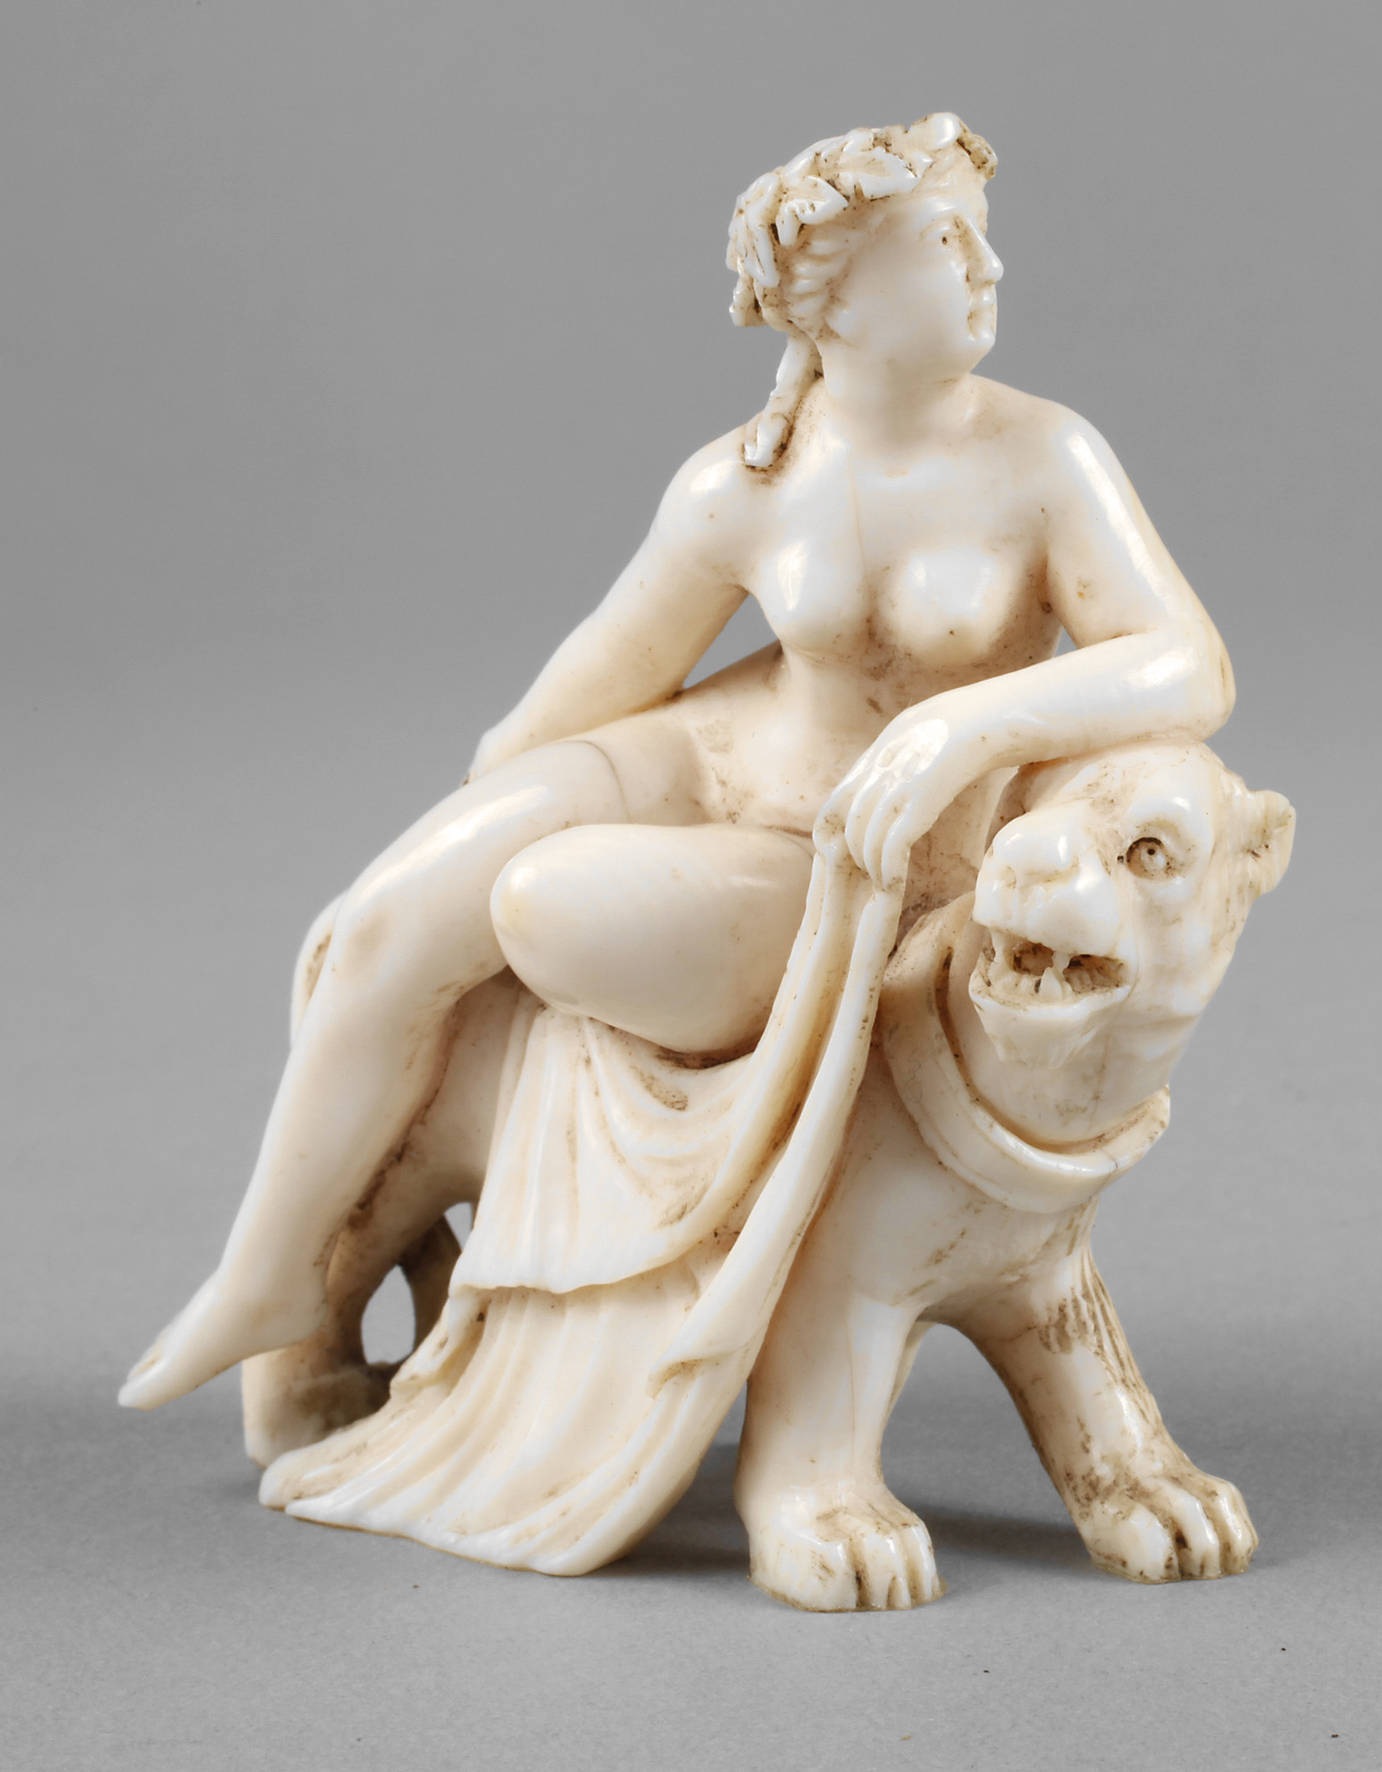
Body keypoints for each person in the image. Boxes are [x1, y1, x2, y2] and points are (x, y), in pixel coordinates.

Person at [121, 112, 1233, 1412]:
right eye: (947, 245)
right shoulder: (745, 482)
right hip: (704, 758)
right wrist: (476, 804)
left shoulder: (1045, 458)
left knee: (536, 906)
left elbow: (1189, 666)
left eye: (982, 240)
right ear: (836, 300)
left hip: (842, 855)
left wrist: (965, 726)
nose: (990, 270)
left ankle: (372, 1265)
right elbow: (599, 673)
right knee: (381, 921)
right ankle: (266, 1278)